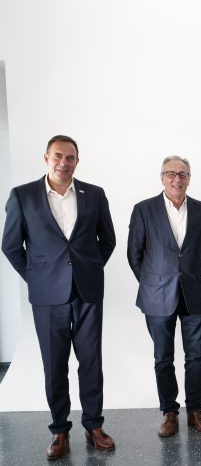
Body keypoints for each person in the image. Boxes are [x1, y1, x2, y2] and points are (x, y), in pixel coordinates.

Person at [1, 135, 116, 459]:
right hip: (47, 296)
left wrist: (87, 269)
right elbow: (11, 246)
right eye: (57, 156)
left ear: (77, 161)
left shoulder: (94, 194)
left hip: (87, 293)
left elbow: (107, 240)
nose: (63, 162)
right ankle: (60, 431)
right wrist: (38, 277)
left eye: (70, 157)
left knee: (91, 362)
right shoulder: (23, 196)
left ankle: (94, 426)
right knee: (54, 365)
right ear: (46, 158)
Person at [127, 156, 201, 437]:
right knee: (163, 358)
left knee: (195, 357)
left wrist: (187, 275)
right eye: (171, 174)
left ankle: (195, 411)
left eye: (183, 174)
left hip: (194, 293)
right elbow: (134, 254)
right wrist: (154, 281)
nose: (177, 179)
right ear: (162, 177)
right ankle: (169, 413)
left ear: (189, 178)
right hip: (156, 296)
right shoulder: (143, 209)